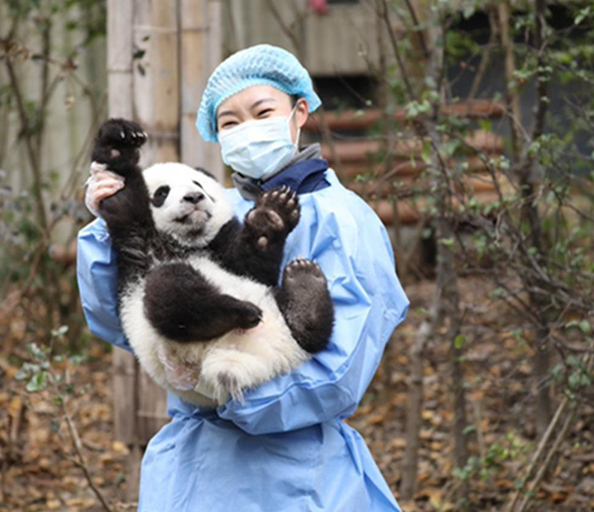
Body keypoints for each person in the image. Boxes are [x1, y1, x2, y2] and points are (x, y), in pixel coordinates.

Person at [77, 44, 409, 511]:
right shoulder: (211, 206)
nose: (247, 129)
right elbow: (121, 319)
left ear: (298, 112)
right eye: (230, 122)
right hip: (193, 470)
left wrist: (227, 393)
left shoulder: (343, 219)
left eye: (262, 112)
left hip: (295, 472)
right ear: (216, 135)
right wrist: (108, 223)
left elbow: (340, 373)